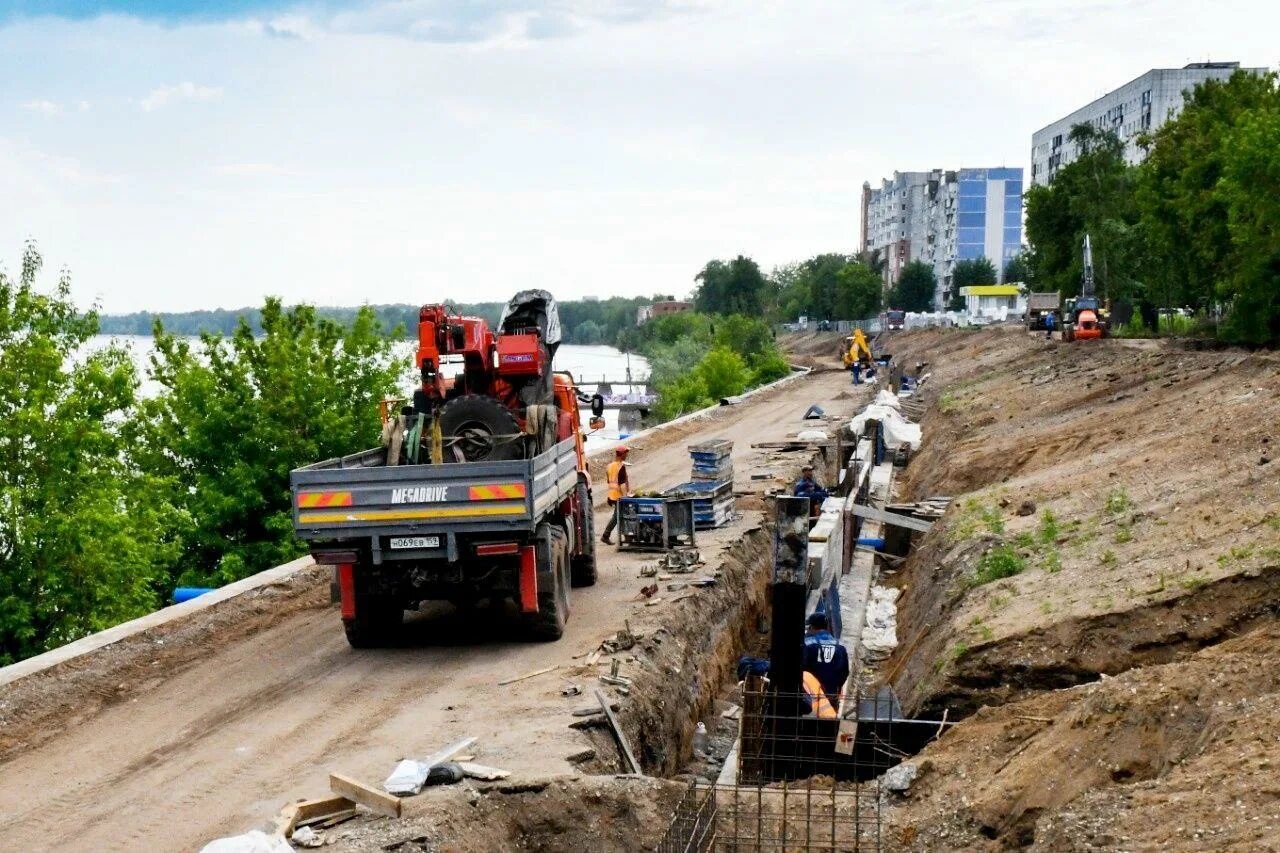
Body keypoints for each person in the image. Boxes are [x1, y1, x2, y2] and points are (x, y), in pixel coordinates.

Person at [802, 612, 849, 712]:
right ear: (827, 627)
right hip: (832, 697)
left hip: (811, 698)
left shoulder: (807, 644)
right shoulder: (840, 646)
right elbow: (845, 673)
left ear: (811, 627)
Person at [600, 446, 630, 544]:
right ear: (622, 454)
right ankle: (606, 535)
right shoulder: (621, 467)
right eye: (626, 453)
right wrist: (626, 497)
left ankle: (626, 536)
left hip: (611, 495)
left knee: (620, 515)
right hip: (619, 496)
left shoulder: (609, 466)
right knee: (618, 516)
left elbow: (609, 481)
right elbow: (621, 484)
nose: (627, 455)